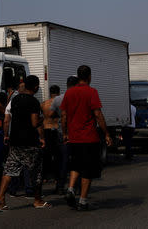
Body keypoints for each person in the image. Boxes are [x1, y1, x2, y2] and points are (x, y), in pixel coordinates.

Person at [60, 65, 113, 211]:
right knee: (87, 170)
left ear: (78, 76)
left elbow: (63, 116)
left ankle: (70, 189)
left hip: (74, 138)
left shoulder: (69, 93)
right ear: (89, 76)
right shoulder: (91, 92)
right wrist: (107, 134)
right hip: (89, 138)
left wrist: (65, 133)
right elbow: (97, 114)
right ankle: (82, 201)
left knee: (76, 165)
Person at [0, 75, 50, 210]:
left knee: (9, 170)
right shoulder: (34, 102)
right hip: (30, 142)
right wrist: (42, 122)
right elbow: (34, 123)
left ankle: (0, 198)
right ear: (36, 87)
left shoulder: (15, 100)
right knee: (36, 172)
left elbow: (7, 119)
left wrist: (6, 135)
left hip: (15, 141)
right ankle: (37, 200)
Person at [50, 76, 79, 194]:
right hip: (77, 134)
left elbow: (51, 113)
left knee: (62, 161)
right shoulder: (79, 98)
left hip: (62, 134)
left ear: (66, 85)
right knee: (77, 161)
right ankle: (75, 187)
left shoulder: (58, 99)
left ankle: (60, 186)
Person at [41, 85, 61, 183]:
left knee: (46, 155)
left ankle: (45, 176)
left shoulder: (44, 104)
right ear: (58, 92)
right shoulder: (59, 103)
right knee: (57, 155)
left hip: (46, 129)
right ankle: (57, 177)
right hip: (56, 129)